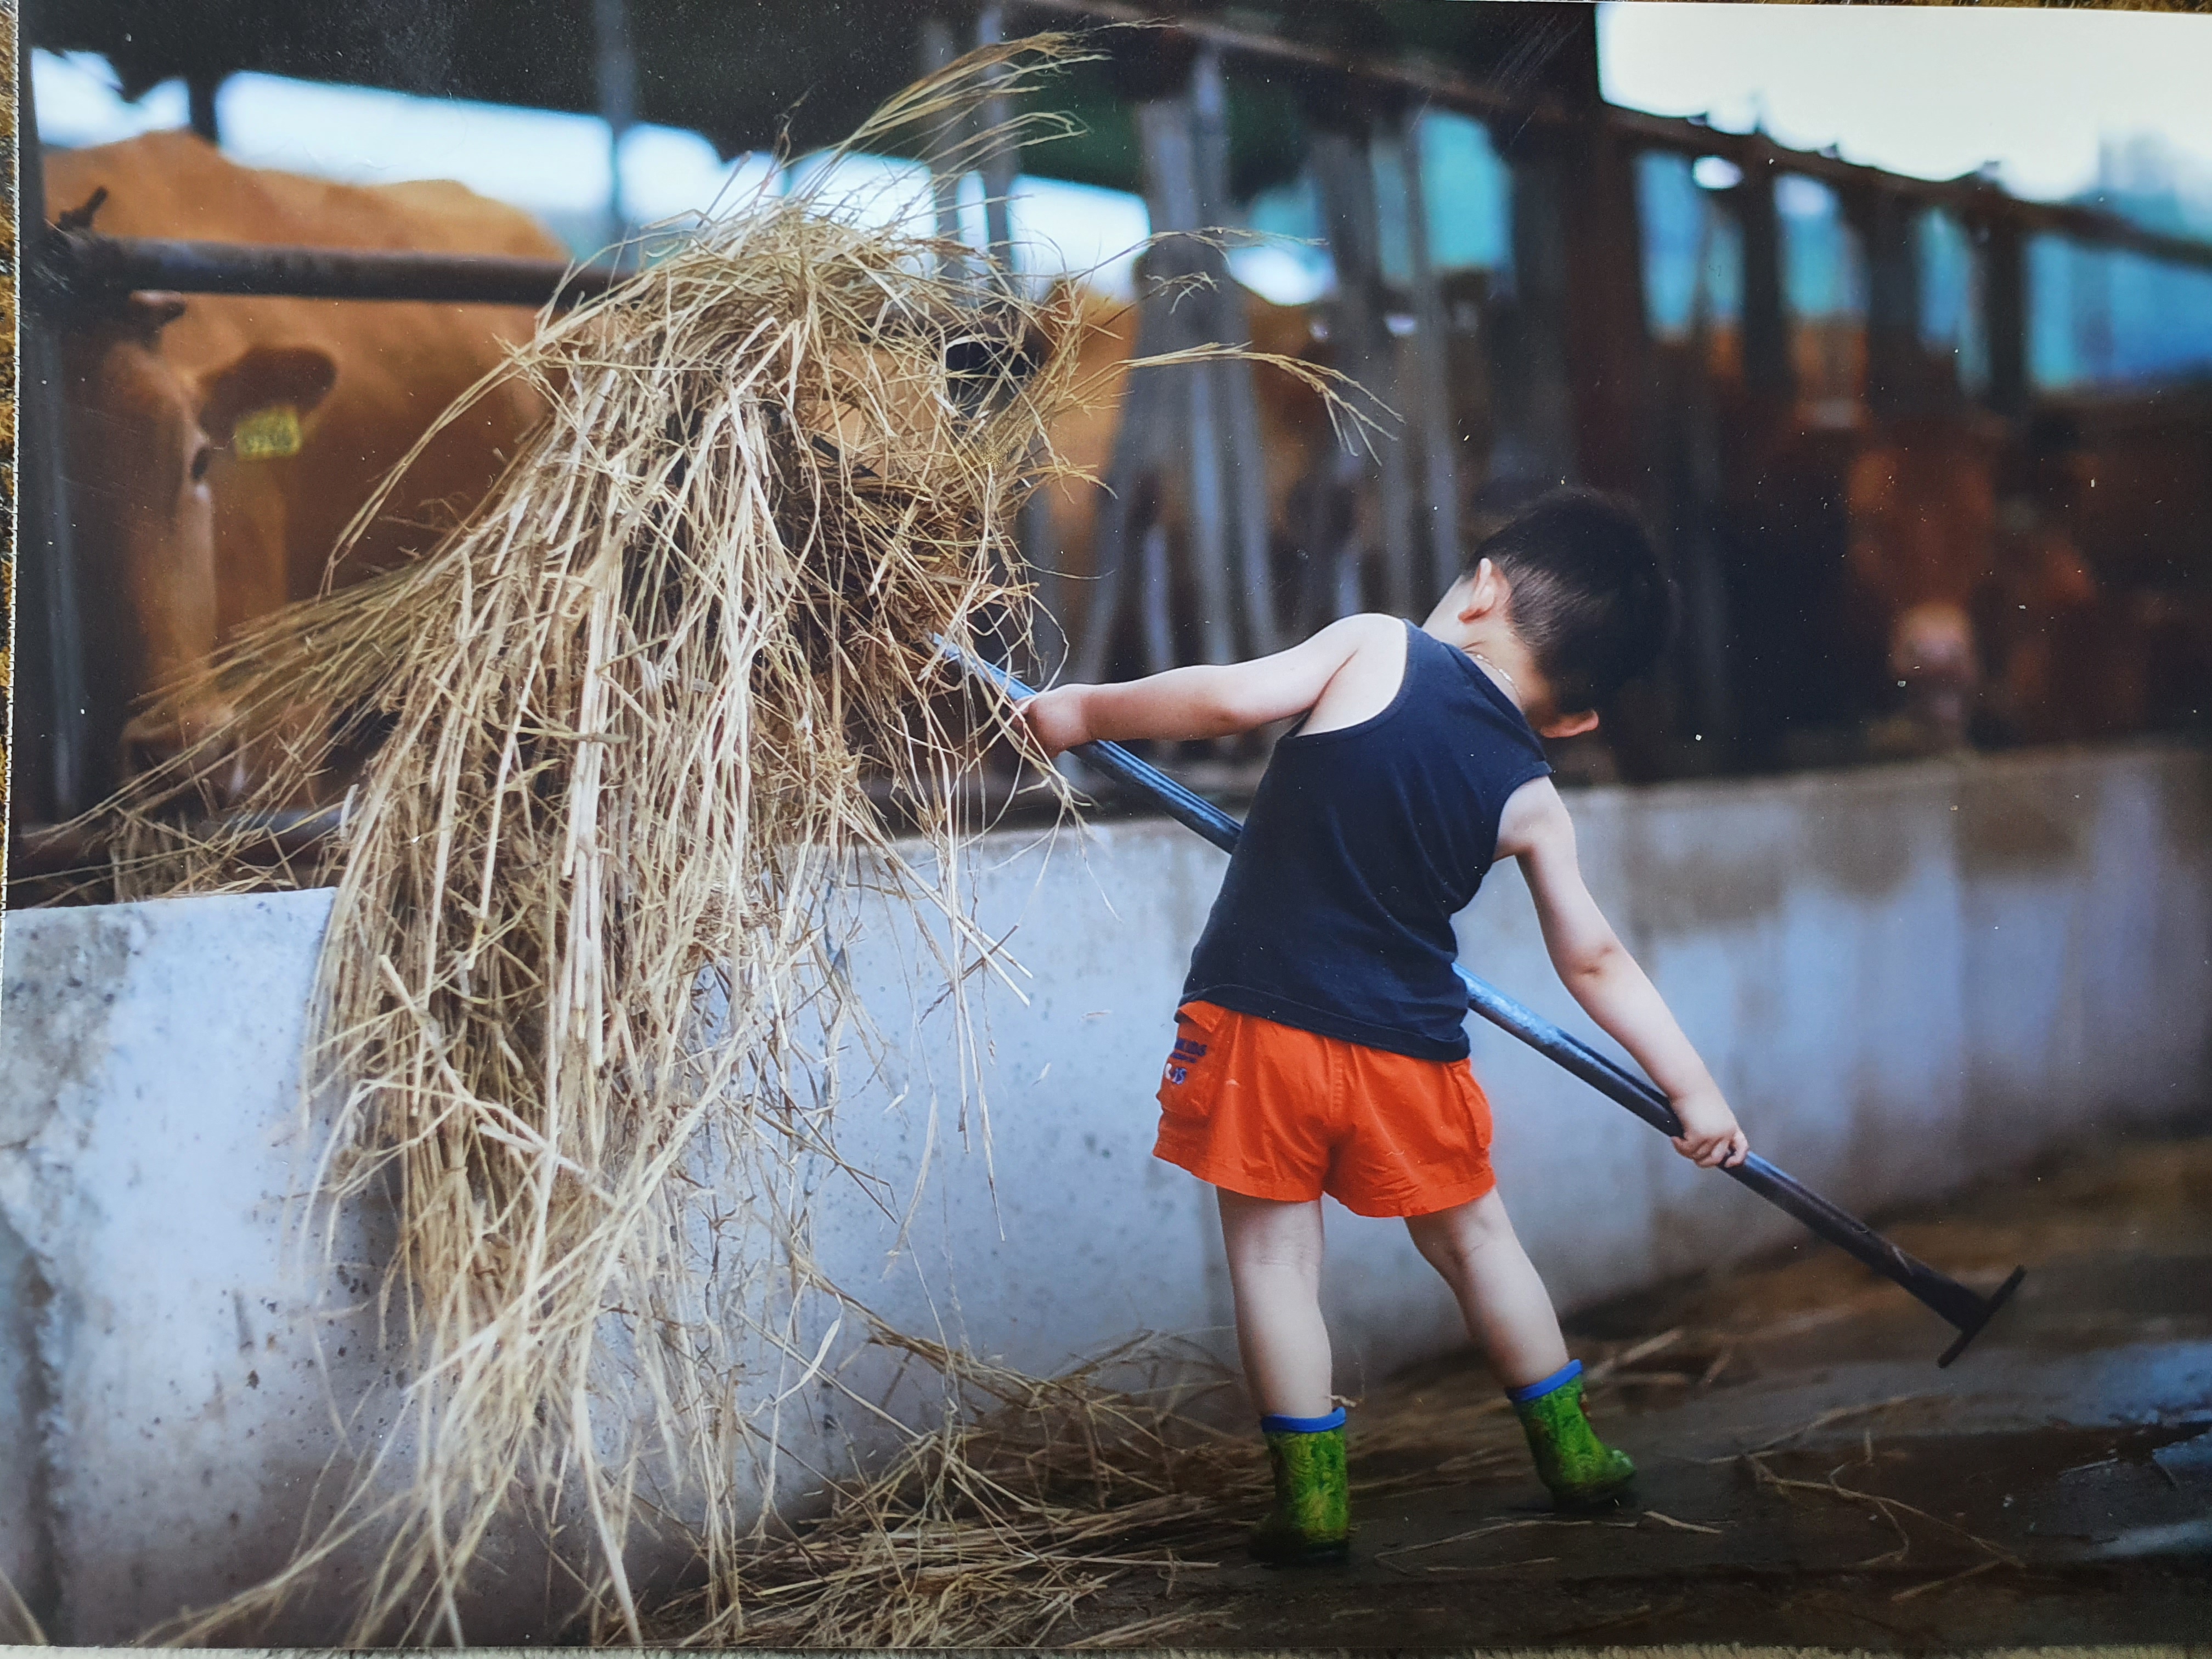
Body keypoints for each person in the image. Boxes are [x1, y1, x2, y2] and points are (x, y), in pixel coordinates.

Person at [1020, 487, 1750, 1564]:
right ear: (1576, 717)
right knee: (1477, 1244)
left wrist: (1081, 712)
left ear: (1483, 591)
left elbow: (1228, 703)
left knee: (1274, 1265)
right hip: (1408, 1050)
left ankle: (1314, 1504)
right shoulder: (1535, 799)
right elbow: (1594, 959)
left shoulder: (1376, 647)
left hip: (1264, 1021)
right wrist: (1694, 1089)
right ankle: (1575, 1455)